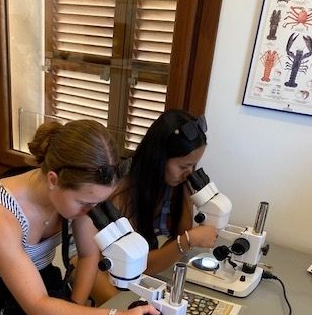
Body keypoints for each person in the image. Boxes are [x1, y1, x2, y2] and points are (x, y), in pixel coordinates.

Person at [0, 119, 161, 315]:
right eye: (85, 203)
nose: (91, 211)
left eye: (97, 203)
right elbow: (37, 306)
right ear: (53, 179)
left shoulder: (77, 201)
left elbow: (89, 256)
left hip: (46, 287)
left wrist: (74, 307)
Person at [91, 109, 218, 304]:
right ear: (159, 158)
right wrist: (188, 240)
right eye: (184, 166)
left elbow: (179, 236)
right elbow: (138, 264)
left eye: (194, 166)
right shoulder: (122, 192)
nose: (190, 172)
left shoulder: (173, 186)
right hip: (110, 281)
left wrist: (187, 189)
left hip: (140, 280)